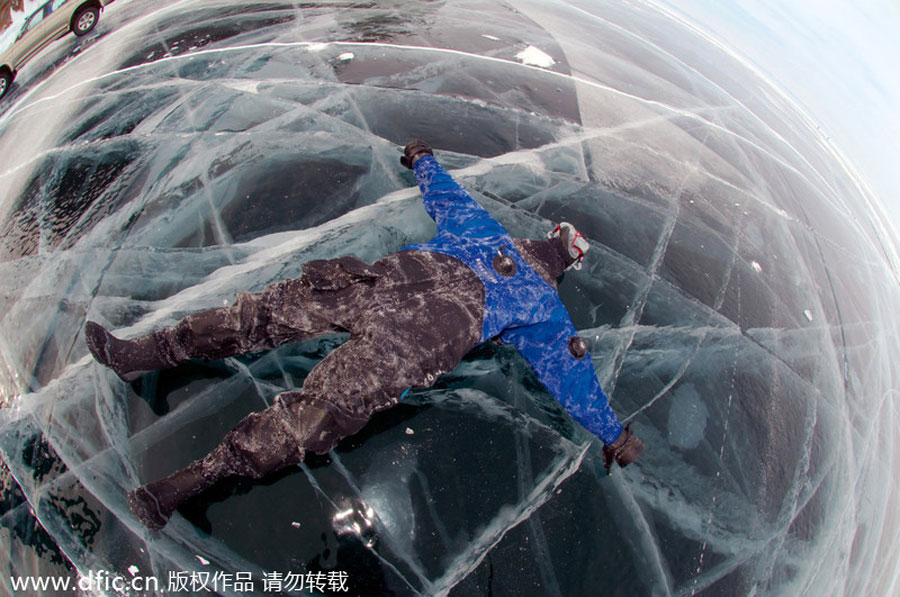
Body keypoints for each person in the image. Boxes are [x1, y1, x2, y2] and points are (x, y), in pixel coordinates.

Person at [85, 141, 643, 530]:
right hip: (408, 343)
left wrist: (423, 158)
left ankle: (149, 372)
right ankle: (180, 478)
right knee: (308, 411)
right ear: (568, 264)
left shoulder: (491, 237)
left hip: (379, 288)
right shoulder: (546, 307)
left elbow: (446, 194)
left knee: (261, 319)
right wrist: (613, 433)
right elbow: (572, 377)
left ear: (548, 236)